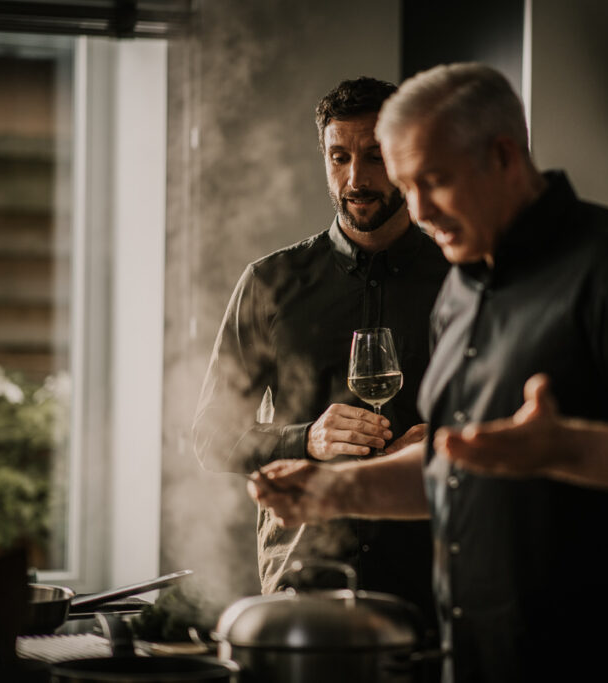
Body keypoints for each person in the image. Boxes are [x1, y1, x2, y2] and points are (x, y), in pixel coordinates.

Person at [247, 62, 608, 683]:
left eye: (435, 181)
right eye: (409, 183)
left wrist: (566, 448)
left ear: (504, 155)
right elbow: (456, 467)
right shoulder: (461, 290)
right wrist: (335, 490)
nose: (420, 209)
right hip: (482, 656)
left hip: (606, 655)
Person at [192, 77, 449, 637]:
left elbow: (507, 421)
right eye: (340, 157)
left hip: (437, 585)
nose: (356, 178)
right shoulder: (269, 283)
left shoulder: (461, 280)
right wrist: (305, 439)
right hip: (301, 584)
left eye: (376, 156)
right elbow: (211, 436)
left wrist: (445, 440)